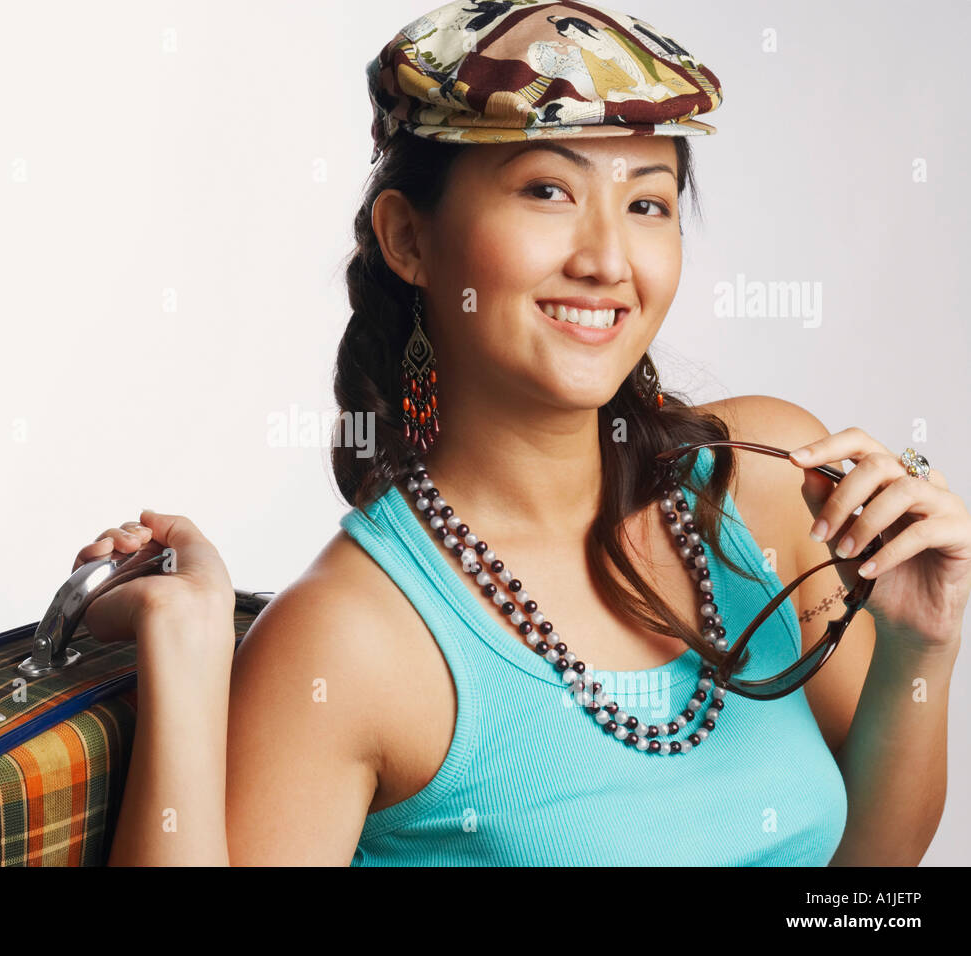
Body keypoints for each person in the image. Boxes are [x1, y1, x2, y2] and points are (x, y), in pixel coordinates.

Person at [77, 1, 967, 866]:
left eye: (648, 205)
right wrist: (190, 658)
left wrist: (922, 645)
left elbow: (862, 875)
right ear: (408, 238)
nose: (608, 261)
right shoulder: (351, 638)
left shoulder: (761, 490)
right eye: (548, 190)